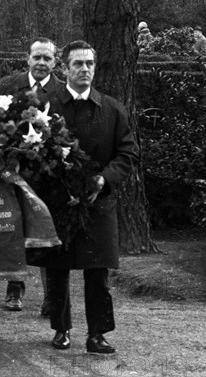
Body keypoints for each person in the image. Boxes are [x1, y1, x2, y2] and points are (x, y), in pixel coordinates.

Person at [42, 40, 138, 354]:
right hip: (60, 202)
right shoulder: (47, 105)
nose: (85, 70)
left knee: (98, 272)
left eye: (89, 64)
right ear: (64, 69)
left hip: (99, 202)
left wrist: (103, 178)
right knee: (57, 269)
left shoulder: (111, 108)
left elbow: (127, 153)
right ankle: (61, 328)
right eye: (77, 64)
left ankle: (97, 333)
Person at [0, 37, 64, 313]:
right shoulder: (9, 85)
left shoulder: (61, 91)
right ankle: (15, 287)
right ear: (28, 58)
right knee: (16, 228)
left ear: (55, 62)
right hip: (14, 170)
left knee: (47, 230)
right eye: (37, 57)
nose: (42, 63)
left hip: (48, 173)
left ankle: (51, 295)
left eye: (47, 58)